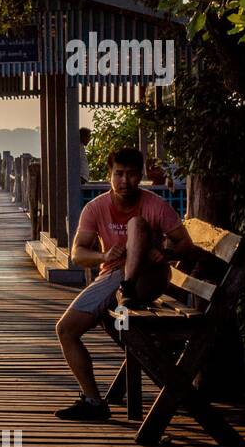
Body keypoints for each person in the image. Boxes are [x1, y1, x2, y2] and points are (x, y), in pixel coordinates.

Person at [53, 147, 193, 421]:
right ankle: (94, 401)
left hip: (147, 279)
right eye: (119, 174)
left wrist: (164, 253)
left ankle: (127, 292)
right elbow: (78, 254)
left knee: (137, 224)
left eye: (131, 175)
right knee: (65, 330)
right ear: (109, 175)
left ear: (140, 176)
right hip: (111, 277)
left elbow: (185, 244)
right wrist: (104, 255)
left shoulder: (154, 205)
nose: (125, 181)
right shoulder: (96, 208)